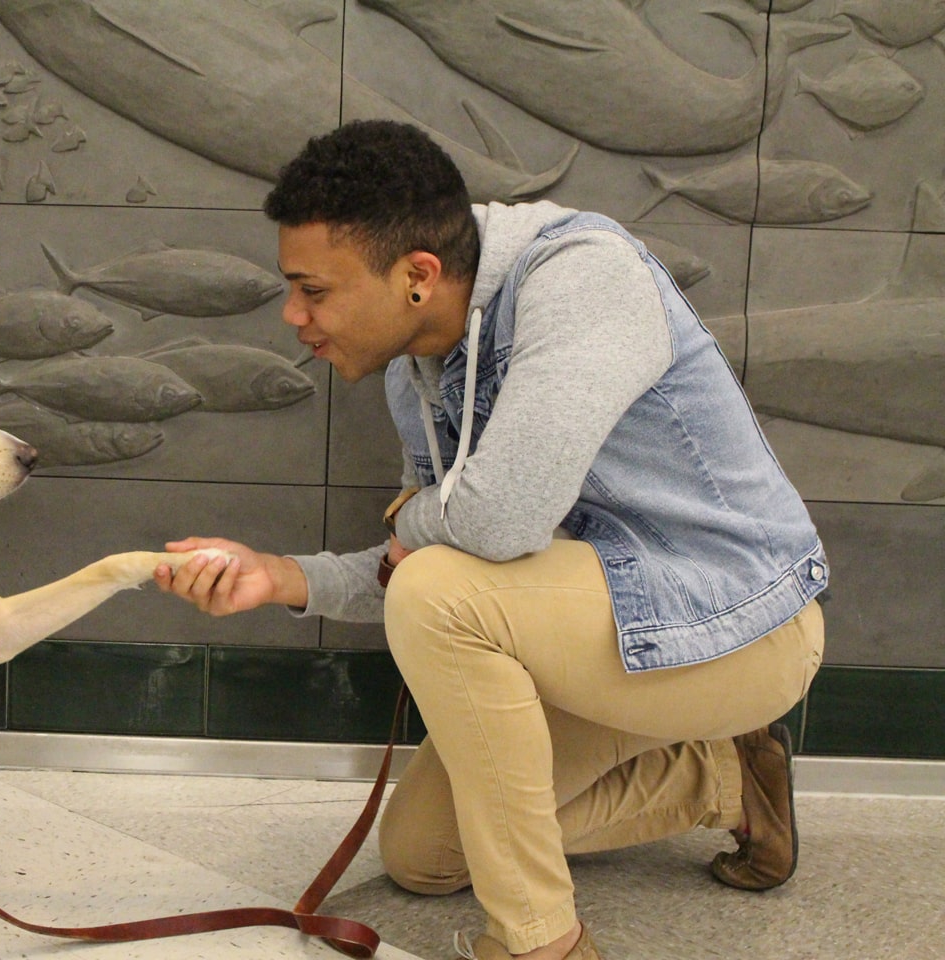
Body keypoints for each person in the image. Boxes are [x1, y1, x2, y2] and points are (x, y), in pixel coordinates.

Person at [152, 120, 827, 960]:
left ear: (417, 276)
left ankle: (542, 943)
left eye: (313, 290)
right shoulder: (416, 370)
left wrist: (415, 523)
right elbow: (435, 550)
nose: (294, 315)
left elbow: (489, 527)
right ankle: (723, 778)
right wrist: (283, 577)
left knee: (443, 593)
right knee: (423, 857)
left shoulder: (583, 278)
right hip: (609, 633)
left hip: (739, 628)